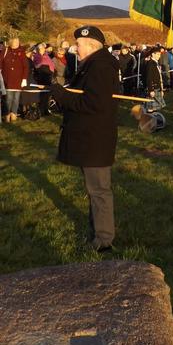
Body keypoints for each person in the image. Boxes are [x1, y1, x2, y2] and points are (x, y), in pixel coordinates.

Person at [50, 26, 120, 252]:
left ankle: (103, 240)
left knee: (99, 190)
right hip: (90, 138)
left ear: (91, 45)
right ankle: (97, 233)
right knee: (95, 189)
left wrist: (62, 96)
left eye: (78, 45)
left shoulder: (100, 67)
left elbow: (93, 103)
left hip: (94, 139)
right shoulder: (94, 64)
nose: (75, 48)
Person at [0, 37, 28, 123]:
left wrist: (24, 79)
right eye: (15, 42)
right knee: (8, 98)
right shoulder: (5, 51)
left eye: (18, 42)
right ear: (11, 42)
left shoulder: (22, 52)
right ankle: (7, 114)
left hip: (18, 79)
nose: (16, 43)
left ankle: (14, 113)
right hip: (7, 79)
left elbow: (25, 67)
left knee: (16, 98)